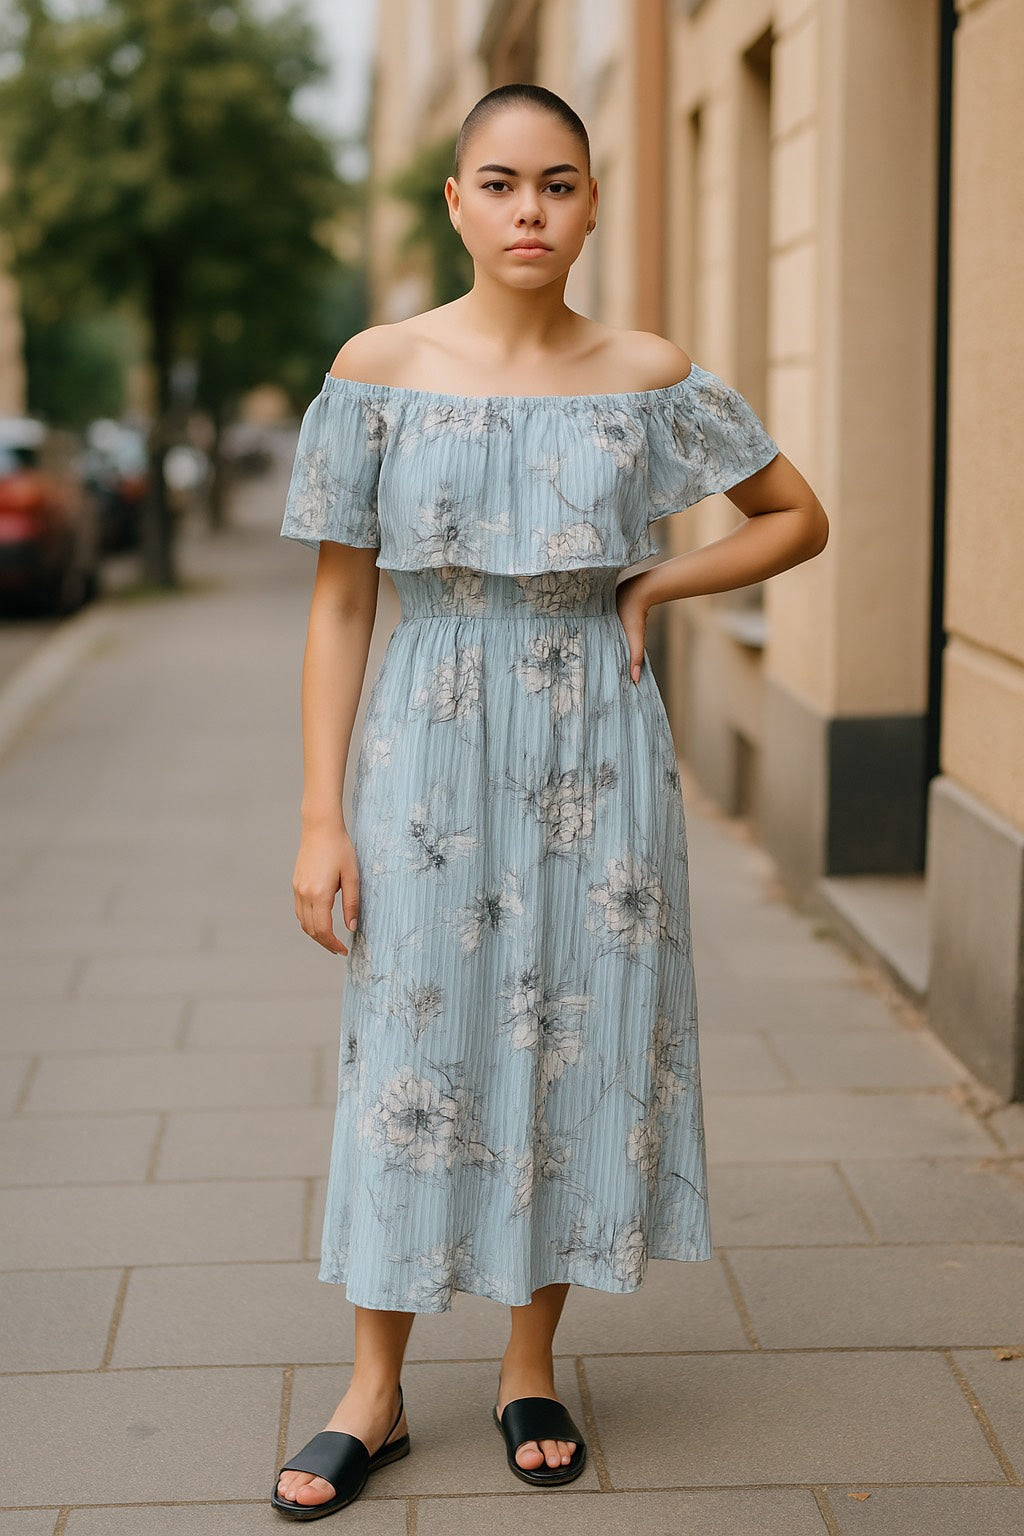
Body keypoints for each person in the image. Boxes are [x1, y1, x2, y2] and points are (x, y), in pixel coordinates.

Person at [271, 83, 828, 1519]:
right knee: (413, 1053)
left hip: (599, 753)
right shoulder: (380, 366)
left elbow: (794, 518)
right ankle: (372, 1389)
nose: (532, 211)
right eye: (503, 183)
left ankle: (530, 1366)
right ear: (456, 203)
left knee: (570, 1039)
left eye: (560, 185)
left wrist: (655, 577)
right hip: (425, 751)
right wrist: (321, 815)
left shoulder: (648, 371)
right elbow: (343, 605)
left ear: (591, 204)